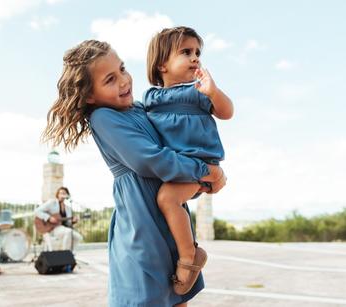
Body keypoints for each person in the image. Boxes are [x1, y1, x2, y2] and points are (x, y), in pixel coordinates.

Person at [42, 40, 226, 306]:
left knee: (177, 298)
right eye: (110, 79)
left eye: (123, 69)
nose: (124, 81)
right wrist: (205, 171)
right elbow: (151, 160)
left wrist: (201, 182)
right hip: (142, 226)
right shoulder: (103, 117)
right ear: (90, 95)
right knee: (146, 297)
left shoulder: (141, 109)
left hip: (169, 223)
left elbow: (174, 157)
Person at [143, 26, 234, 294]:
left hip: (199, 164)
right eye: (186, 52)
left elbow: (227, 112)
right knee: (171, 203)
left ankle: (188, 257)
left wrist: (213, 92)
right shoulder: (151, 97)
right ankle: (183, 250)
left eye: (197, 53)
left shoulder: (199, 90)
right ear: (162, 64)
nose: (195, 58)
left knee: (167, 199)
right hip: (175, 166)